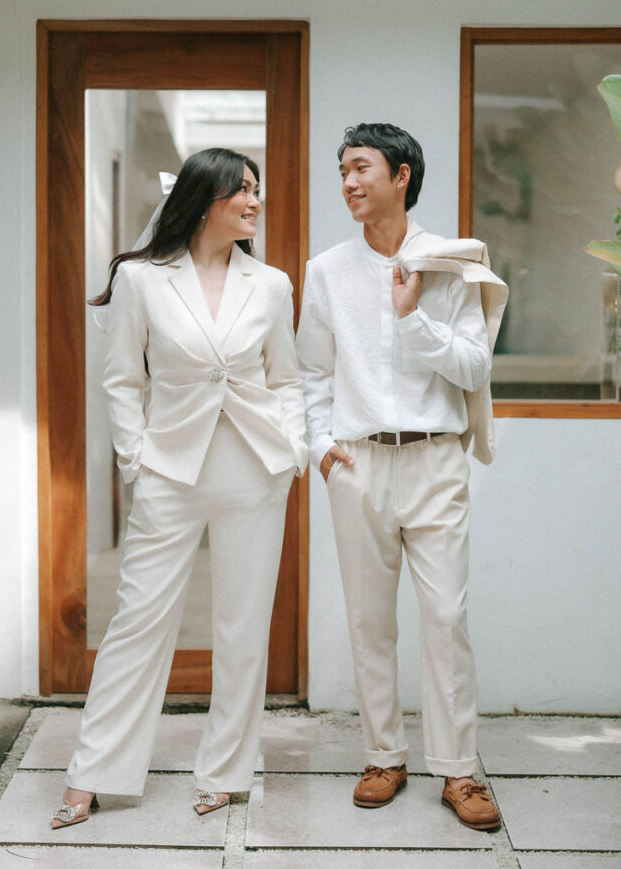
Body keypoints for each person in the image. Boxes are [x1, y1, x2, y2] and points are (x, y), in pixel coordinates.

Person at [51, 147, 307, 828]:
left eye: (256, 189)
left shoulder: (271, 284)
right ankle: (93, 773)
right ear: (202, 200)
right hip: (170, 468)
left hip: (254, 467)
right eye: (241, 190)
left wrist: (293, 449)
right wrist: (136, 460)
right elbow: (122, 380)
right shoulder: (141, 279)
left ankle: (225, 773)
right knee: (137, 621)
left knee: (243, 627)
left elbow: (286, 377)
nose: (254, 201)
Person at [296, 123, 507, 831]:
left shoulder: (452, 263)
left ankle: (458, 770)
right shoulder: (326, 270)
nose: (349, 182)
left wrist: (411, 317)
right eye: (343, 171)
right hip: (358, 462)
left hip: (434, 459)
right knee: (369, 620)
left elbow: (474, 369)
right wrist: (320, 446)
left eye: (361, 168)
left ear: (401, 175)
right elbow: (311, 371)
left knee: (445, 617)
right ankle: (383, 756)